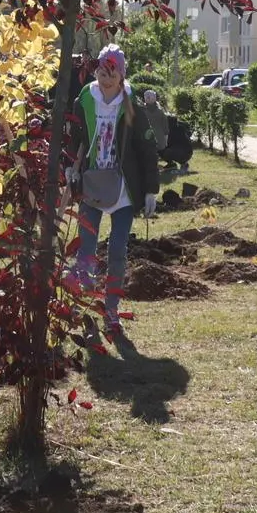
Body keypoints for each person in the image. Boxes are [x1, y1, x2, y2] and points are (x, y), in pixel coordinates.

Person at [66, 46, 160, 349]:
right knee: (87, 251)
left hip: (122, 188)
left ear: (122, 75)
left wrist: (150, 191)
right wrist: (71, 166)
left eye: (112, 73)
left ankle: (111, 310)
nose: (106, 79)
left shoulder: (130, 105)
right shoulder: (85, 99)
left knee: (118, 250)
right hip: (92, 184)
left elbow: (147, 150)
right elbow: (76, 137)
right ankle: (89, 308)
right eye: (102, 72)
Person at [138, 89, 171, 170]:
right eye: (146, 96)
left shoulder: (159, 111)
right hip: (146, 135)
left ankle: (167, 164)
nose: (148, 98)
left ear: (154, 98)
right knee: (148, 151)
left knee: (158, 151)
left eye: (150, 96)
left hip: (158, 136)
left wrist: (166, 137)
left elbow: (165, 125)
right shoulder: (142, 110)